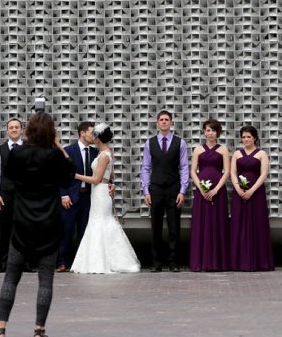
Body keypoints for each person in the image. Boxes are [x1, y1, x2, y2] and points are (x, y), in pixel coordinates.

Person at [0, 111, 75, 337]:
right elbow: (69, 175)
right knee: (45, 280)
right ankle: (38, 330)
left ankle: (0, 329)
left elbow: (9, 175)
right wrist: (58, 146)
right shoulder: (55, 157)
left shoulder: (18, 154)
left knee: (11, 278)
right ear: (51, 132)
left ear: (28, 130)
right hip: (49, 226)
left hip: (22, 225)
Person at [70, 123, 140, 274]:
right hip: (99, 192)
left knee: (99, 223)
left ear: (98, 138)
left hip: (100, 193)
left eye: (94, 135)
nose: (92, 137)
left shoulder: (103, 155)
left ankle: (101, 261)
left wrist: (74, 175)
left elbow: (96, 179)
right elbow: (111, 176)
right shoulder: (106, 153)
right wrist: (110, 183)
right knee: (99, 223)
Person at [141, 109, 189, 271]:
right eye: (161, 119)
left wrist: (183, 190)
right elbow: (146, 168)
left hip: (174, 189)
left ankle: (173, 262)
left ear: (171, 122)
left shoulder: (180, 143)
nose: (163, 122)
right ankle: (156, 262)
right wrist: (146, 191)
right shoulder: (150, 143)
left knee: (174, 227)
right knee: (156, 227)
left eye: (166, 119)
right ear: (157, 123)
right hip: (155, 189)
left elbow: (184, 167)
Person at [230, 125, 274, 271]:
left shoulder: (262, 153)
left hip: (256, 194)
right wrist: (238, 188)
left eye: (248, 136)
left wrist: (252, 190)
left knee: (257, 224)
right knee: (239, 225)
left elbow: (263, 175)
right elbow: (233, 173)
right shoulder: (237, 153)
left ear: (254, 137)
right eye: (243, 137)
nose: (246, 139)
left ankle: (259, 262)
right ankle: (238, 262)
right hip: (239, 193)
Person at [188, 119, 230, 271]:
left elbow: (227, 171)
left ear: (217, 132)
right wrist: (201, 188)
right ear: (204, 132)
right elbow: (193, 171)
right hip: (202, 192)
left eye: (213, 130)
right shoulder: (198, 149)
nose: (210, 133)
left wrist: (216, 189)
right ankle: (201, 261)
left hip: (218, 191)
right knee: (202, 224)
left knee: (218, 223)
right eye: (207, 130)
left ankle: (218, 262)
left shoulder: (223, 149)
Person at [56, 121, 98, 271]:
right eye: (92, 132)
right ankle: (61, 262)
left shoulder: (95, 152)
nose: (94, 135)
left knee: (84, 231)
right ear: (82, 133)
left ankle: (79, 262)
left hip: (89, 198)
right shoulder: (69, 150)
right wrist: (64, 194)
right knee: (66, 230)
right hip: (71, 197)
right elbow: (60, 174)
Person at [0, 118, 24, 273]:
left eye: (16, 127)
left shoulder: (28, 148)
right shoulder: (0, 150)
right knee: (5, 231)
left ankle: (25, 263)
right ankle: (4, 263)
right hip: (5, 195)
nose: (14, 129)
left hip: (24, 196)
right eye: (11, 127)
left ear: (21, 130)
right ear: (7, 130)